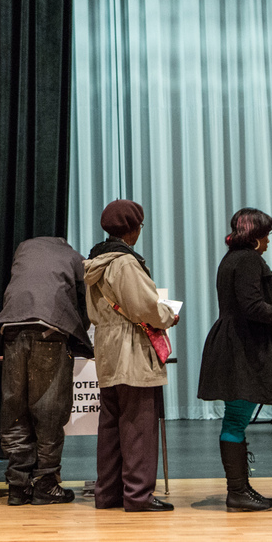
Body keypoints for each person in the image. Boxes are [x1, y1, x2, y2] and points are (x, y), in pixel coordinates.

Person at [198, 207, 272, 512]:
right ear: (256, 236)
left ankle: (241, 488)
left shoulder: (233, 258)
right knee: (235, 419)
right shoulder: (248, 260)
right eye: (266, 234)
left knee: (236, 419)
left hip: (236, 343)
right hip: (242, 347)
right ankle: (238, 492)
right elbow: (253, 307)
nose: (269, 240)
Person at [84, 199, 178, 513]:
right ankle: (138, 496)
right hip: (132, 348)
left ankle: (108, 494)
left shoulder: (94, 260)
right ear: (133, 229)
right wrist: (167, 315)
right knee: (139, 425)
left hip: (107, 348)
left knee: (110, 427)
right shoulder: (125, 262)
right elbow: (145, 307)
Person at [0, 237, 92, 506]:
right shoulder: (73, 258)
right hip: (48, 333)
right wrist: (82, 339)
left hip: (11, 331)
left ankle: (17, 486)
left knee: (15, 410)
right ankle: (46, 484)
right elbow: (84, 304)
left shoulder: (23, 250)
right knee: (49, 410)